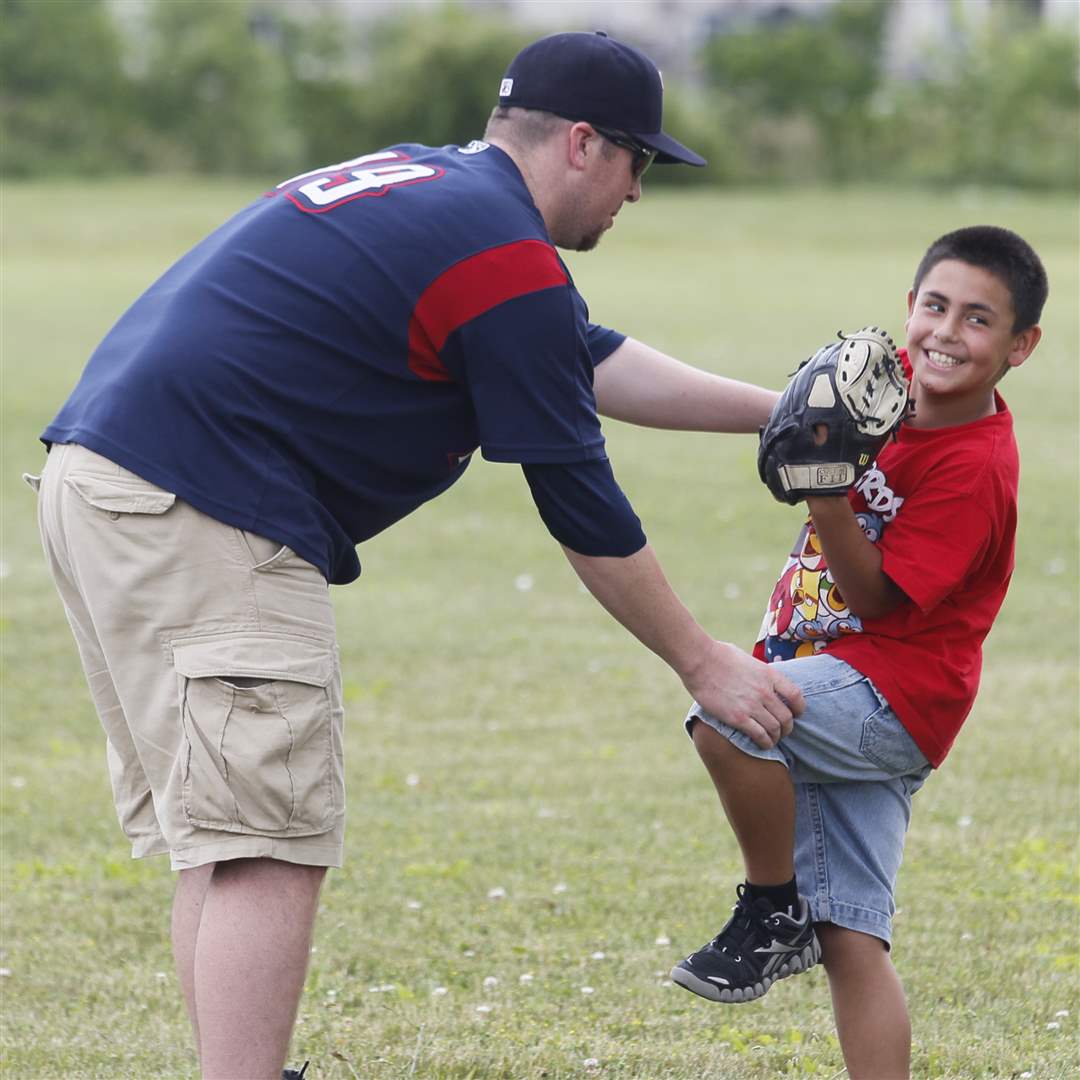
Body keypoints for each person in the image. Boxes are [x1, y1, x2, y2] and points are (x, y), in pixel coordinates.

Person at [29, 30, 804, 1080]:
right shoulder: (501, 251)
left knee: (223, 841)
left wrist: (782, 414)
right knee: (266, 844)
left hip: (109, 486)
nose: (637, 192)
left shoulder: (439, 192)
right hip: (204, 510)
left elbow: (579, 355)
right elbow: (579, 497)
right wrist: (703, 660)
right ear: (583, 143)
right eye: (640, 162)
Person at [670, 225, 1048, 1080]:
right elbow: (807, 425)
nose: (947, 333)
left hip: (892, 695)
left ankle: (771, 910)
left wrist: (828, 494)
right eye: (935, 306)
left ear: (1021, 346)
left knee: (729, 710)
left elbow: (876, 598)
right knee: (851, 936)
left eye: (979, 320)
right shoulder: (884, 388)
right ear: (908, 308)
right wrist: (809, 429)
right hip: (856, 684)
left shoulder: (977, 467)